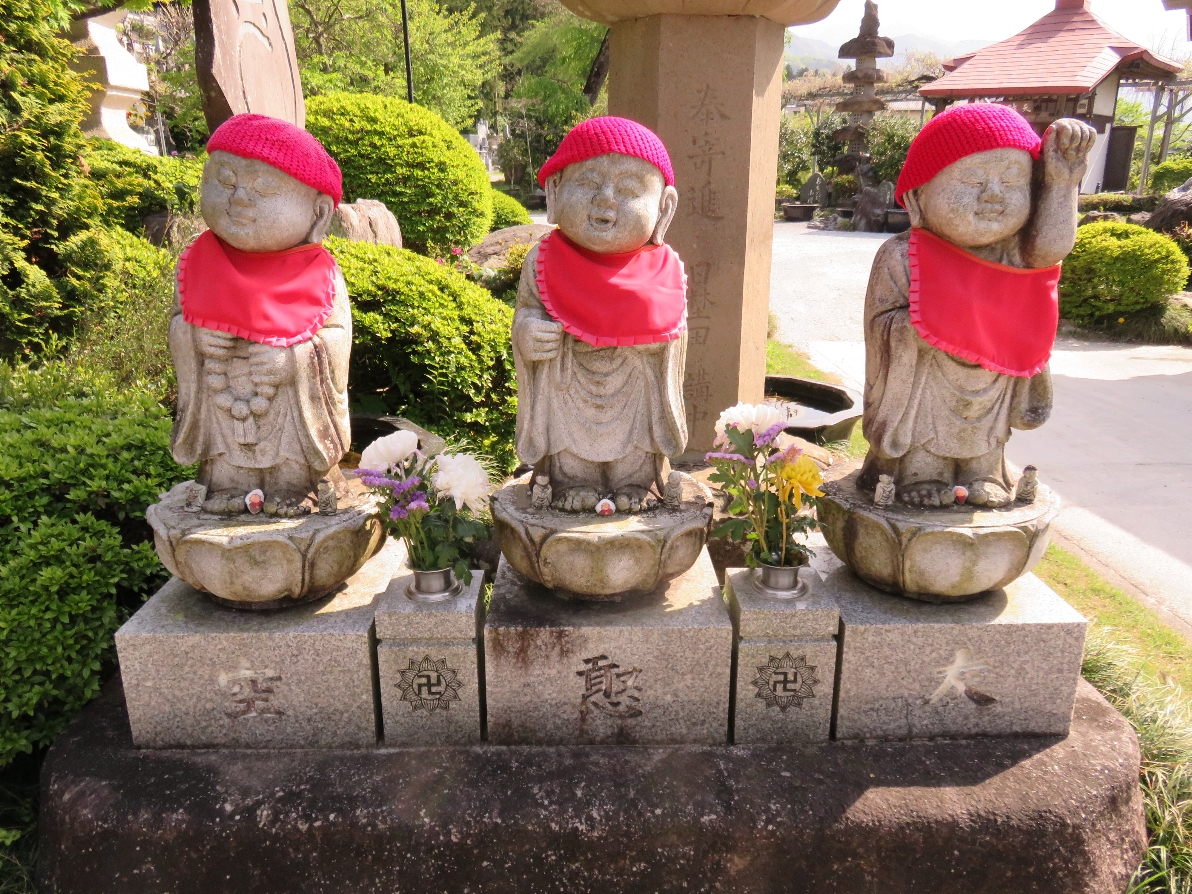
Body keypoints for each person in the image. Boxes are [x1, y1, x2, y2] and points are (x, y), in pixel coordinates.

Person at [858, 103, 1095, 508]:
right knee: (925, 423)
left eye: (1013, 180)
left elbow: (1051, 249)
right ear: (916, 197)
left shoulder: (1015, 254)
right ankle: (922, 470)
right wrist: (919, 330)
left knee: (988, 429)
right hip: (926, 377)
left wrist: (1062, 182)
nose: (993, 194)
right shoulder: (904, 255)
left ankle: (983, 470)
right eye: (972, 179)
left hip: (993, 375)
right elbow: (880, 325)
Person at [169, 114, 352, 515]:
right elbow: (178, 324)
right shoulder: (198, 265)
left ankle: (295, 484)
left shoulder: (320, 276)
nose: (238, 199)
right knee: (225, 449)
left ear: (319, 214)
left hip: (285, 410)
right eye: (225, 181)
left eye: (264, 188)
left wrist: (295, 361)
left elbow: (337, 337)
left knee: (289, 442)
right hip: (222, 400)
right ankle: (226, 483)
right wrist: (192, 338)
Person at [513, 116, 688, 513]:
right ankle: (572, 480)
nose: (606, 199)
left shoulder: (665, 270)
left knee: (637, 437)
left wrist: (658, 346)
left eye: (628, 190)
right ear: (555, 192)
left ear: (664, 209)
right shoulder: (542, 261)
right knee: (569, 441)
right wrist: (528, 332)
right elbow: (527, 311)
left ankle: (636, 481)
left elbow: (675, 333)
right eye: (588, 182)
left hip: (635, 383)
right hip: (568, 381)